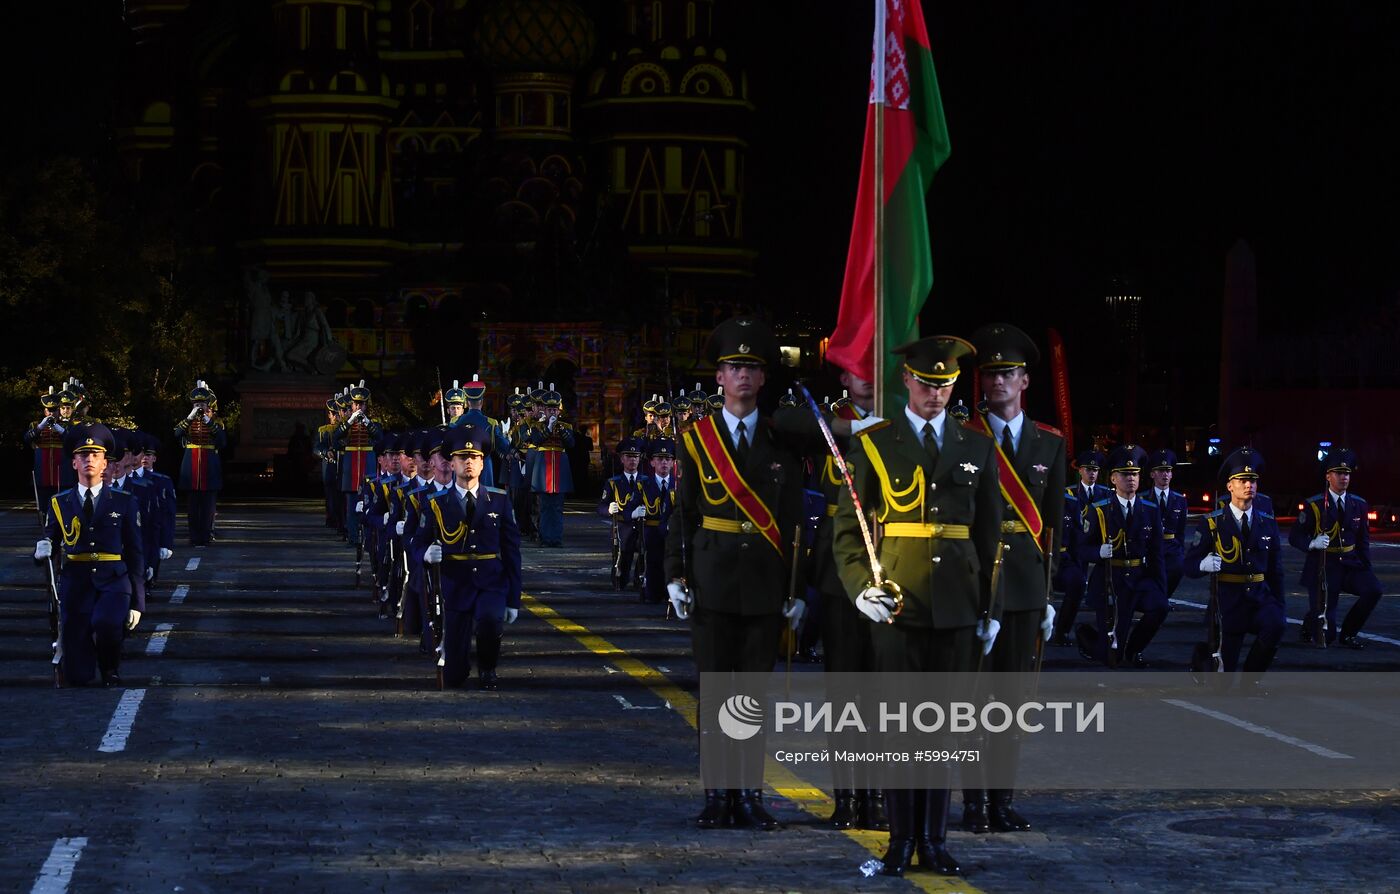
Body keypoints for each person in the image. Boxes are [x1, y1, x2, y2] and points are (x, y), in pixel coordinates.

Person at [831, 335, 1000, 877]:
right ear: (906, 380)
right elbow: (848, 528)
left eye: (945, 385)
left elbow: (989, 534)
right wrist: (861, 588)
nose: (936, 393)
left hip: (958, 605)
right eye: (927, 383)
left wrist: (991, 607)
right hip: (898, 602)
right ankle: (901, 840)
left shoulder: (977, 446)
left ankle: (935, 839)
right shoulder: (876, 443)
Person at [665, 316, 806, 833]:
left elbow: (794, 520)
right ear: (719, 378)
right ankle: (716, 795)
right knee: (714, 693)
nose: (743, 375)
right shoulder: (696, 440)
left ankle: (748, 794)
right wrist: (675, 575)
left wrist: (798, 587)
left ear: (763, 378)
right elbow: (682, 514)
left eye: (751, 367)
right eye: (733, 366)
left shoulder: (781, 440)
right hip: (712, 579)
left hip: (766, 583)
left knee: (750, 696)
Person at [961, 323, 1065, 834]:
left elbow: (1054, 525)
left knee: (1009, 703)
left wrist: (1048, 594)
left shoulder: (1050, 443)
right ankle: (973, 804)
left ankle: (1001, 802)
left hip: (1024, 586)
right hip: (976, 583)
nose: (997, 381)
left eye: (1007, 373)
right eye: (989, 374)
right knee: (971, 703)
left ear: (1025, 381)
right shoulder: (963, 435)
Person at [34, 424, 146, 687]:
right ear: (74, 463)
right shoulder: (59, 502)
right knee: (78, 676)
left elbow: (134, 552)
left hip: (113, 579)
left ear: (105, 463)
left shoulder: (124, 501)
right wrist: (42, 550)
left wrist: (138, 602)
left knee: (107, 623)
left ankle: (110, 668)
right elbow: (51, 538)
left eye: (96, 455)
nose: (89, 460)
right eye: (83, 455)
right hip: (76, 581)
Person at [420, 424, 522, 690]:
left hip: (491, 581)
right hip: (454, 584)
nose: (469, 462)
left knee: (490, 621)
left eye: (475, 458)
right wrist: (425, 553)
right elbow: (418, 541)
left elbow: (512, 552)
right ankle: (459, 665)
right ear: (451, 463)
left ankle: (488, 668)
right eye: (462, 457)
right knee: (454, 675)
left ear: (482, 463)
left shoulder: (499, 500)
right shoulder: (436, 502)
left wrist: (513, 599)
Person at [1185, 447, 1284, 675]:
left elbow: (1275, 569)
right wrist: (1202, 565)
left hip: (1259, 598)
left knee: (1277, 624)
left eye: (1252, 480)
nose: (1249, 485)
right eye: (1242, 480)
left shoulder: (1267, 522)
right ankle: (1202, 658)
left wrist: (1279, 604)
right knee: (1222, 679)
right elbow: (1188, 565)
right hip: (1228, 604)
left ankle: (1251, 680)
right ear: (1230, 486)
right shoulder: (1213, 523)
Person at [1074, 445, 1168, 668]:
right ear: (1113, 479)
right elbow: (1080, 548)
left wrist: (1161, 587)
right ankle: (1088, 637)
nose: (1131, 479)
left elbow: (1156, 553)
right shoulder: (1099, 510)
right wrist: (1097, 552)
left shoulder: (1150, 509)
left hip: (1139, 578)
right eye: (1125, 474)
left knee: (1160, 607)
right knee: (1110, 657)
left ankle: (1134, 650)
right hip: (1111, 581)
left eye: (1134, 474)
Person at [1290, 448, 1381, 648]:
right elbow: (1295, 536)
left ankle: (1349, 634)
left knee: (1373, 590)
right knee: (1326, 635)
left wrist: (1366, 569)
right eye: (1339, 473)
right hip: (1323, 566)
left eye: (1347, 473)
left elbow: (1363, 540)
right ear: (1328, 476)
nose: (1344, 477)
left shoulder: (1359, 505)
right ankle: (1310, 623)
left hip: (1350, 564)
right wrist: (1311, 543)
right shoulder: (1314, 505)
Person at [1049, 450, 1111, 646]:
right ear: (1080, 471)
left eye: (1095, 470)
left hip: (1086, 547)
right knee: (1075, 584)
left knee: (1082, 585)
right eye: (1088, 469)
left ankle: (1065, 631)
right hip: (1065, 551)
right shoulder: (1069, 494)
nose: (1092, 473)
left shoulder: (1105, 494)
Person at [174, 380, 226, 547]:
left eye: (202, 404)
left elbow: (222, 441)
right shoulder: (188, 421)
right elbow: (177, 434)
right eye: (197, 404)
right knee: (192, 506)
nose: (199, 406)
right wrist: (190, 417)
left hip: (209, 464)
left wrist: (207, 420)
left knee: (208, 505)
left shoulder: (216, 422)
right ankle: (194, 535)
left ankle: (206, 534)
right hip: (191, 465)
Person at [333, 381, 383, 551]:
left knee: (369, 504)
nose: (359, 407)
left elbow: (380, 438)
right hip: (350, 467)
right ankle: (353, 537)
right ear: (352, 405)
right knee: (351, 505)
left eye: (361, 404)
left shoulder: (373, 423)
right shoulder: (346, 423)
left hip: (367, 465)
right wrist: (349, 421)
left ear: (365, 406)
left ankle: (368, 539)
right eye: (356, 404)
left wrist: (367, 422)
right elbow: (336, 438)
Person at [525, 387, 574, 547]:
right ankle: (545, 538)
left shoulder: (566, 426)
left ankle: (556, 538)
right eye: (549, 409)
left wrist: (559, 429)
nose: (552, 412)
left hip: (560, 467)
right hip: (543, 468)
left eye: (555, 409)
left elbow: (571, 443)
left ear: (558, 411)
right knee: (544, 506)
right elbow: (536, 441)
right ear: (544, 411)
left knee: (558, 506)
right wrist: (548, 428)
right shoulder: (536, 426)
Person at [598, 438, 647, 590]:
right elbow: (601, 507)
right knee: (622, 563)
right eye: (628, 456)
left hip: (642, 527)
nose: (632, 460)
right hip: (622, 528)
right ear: (622, 459)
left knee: (645, 558)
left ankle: (640, 582)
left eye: (635, 456)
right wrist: (608, 509)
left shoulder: (647, 481)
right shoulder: (613, 482)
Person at [637, 438, 676, 605]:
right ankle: (653, 593)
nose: (664, 463)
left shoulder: (679, 485)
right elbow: (631, 505)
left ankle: (671, 593)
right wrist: (634, 512)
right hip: (651, 531)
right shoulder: (643, 485)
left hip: (673, 532)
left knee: (673, 563)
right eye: (660, 459)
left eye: (668, 459)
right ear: (652, 462)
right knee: (653, 562)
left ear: (673, 463)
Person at [26, 385, 76, 507]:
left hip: (62, 474)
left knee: (63, 505)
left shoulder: (68, 426)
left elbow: (73, 442)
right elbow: (27, 438)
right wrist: (39, 427)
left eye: (54, 410)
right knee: (44, 504)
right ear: (45, 411)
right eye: (49, 410)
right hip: (43, 473)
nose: (51, 413)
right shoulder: (35, 425)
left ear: (58, 411)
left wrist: (60, 429)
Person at [1147, 449, 1188, 598]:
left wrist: (1180, 550)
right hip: (1150, 546)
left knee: (1178, 568)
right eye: (1161, 471)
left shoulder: (1180, 500)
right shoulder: (1143, 498)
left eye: (1168, 471)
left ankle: (1163, 599)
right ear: (1152, 474)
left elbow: (1181, 530)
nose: (1165, 474)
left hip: (1171, 546)